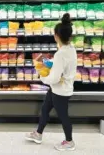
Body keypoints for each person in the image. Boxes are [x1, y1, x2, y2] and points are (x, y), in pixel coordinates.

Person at [25, 13, 77, 151]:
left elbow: (54, 78)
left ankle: (69, 141)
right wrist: (50, 63)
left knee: (63, 116)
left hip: (60, 90)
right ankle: (38, 134)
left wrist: (42, 76)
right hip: (60, 88)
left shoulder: (60, 54)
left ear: (56, 36)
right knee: (45, 109)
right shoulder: (71, 49)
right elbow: (62, 65)